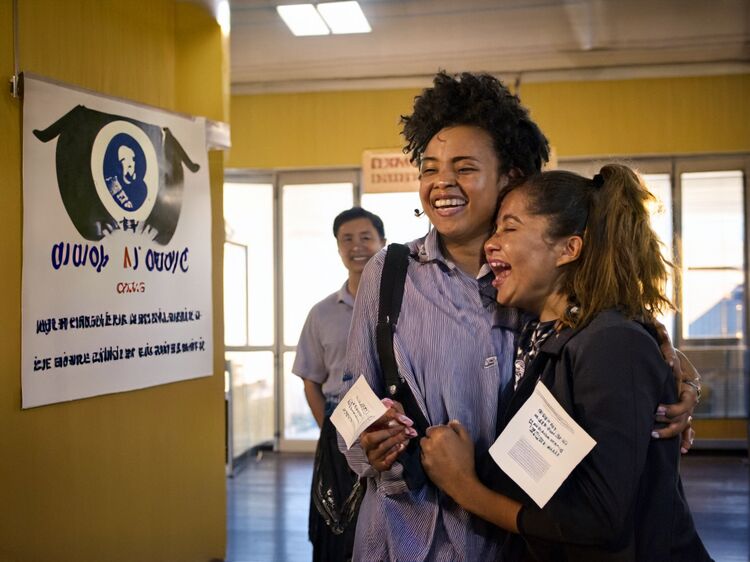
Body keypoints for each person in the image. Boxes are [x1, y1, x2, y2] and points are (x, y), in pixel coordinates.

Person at [339, 71, 699, 561]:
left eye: (465, 168)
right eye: (429, 168)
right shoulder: (390, 273)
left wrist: (678, 377)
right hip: (404, 537)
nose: (442, 182)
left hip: (517, 541)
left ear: (510, 176)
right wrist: (368, 440)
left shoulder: (541, 285)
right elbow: (352, 397)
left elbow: (614, 352)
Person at [420, 165, 713, 561]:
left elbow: (597, 521)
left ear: (568, 249)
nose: (490, 244)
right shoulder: (541, 334)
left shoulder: (612, 342)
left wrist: (465, 488)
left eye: (509, 228)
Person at [292, 206, 386, 562]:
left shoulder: (403, 306)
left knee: (387, 524)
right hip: (337, 427)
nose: (356, 246)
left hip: (388, 427)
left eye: (365, 237)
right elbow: (311, 380)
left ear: (383, 243)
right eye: (347, 239)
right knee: (333, 527)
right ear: (337, 247)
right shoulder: (321, 313)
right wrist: (330, 430)